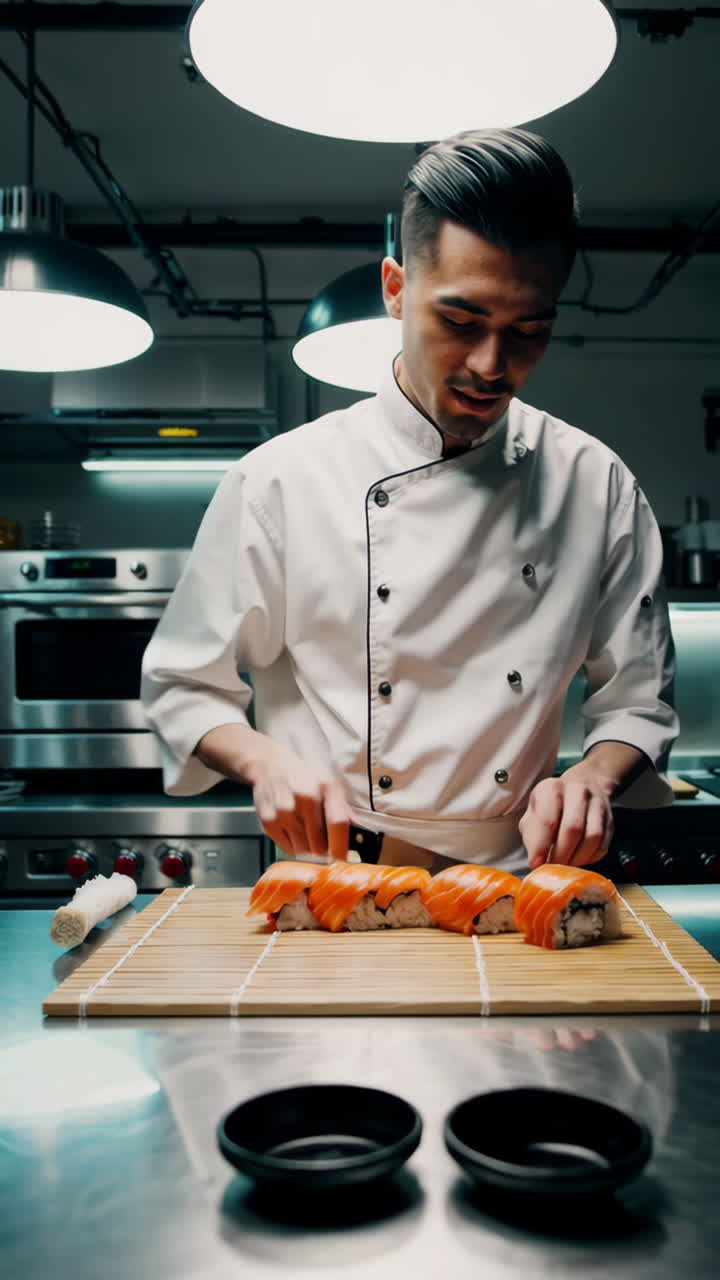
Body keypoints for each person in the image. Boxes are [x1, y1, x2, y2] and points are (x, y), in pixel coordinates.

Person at [141, 128, 678, 875]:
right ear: (396, 288)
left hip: (518, 889)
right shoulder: (280, 482)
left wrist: (593, 774)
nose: (492, 367)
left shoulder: (597, 483)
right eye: (461, 324)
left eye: (529, 332)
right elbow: (181, 684)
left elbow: (638, 700)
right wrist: (263, 759)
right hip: (336, 882)